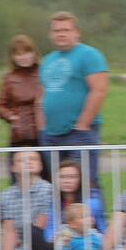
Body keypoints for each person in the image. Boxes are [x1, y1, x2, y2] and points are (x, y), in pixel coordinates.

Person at [39, 12, 109, 186]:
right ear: (50, 34)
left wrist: (83, 125)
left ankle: (93, 214)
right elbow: (41, 96)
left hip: (79, 133)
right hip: (51, 136)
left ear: (76, 32)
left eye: (65, 30)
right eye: (56, 31)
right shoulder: (47, 60)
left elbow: (99, 90)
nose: (61, 34)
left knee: (85, 184)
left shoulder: (89, 55)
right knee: (59, 185)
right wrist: (42, 129)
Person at [0, 151, 52, 250]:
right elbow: (9, 231)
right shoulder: (6, 195)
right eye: (22, 160)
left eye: (33, 159)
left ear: (41, 165)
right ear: (13, 167)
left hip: (39, 244)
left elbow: (40, 226)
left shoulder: (48, 189)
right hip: (16, 245)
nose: (28, 162)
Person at [0, 35, 44, 150]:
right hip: (18, 135)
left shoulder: (44, 73)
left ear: (34, 53)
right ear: (13, 57)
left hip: (43, 133)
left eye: (27, 52)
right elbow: (0, 105)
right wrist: (11, 117)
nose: (23, 57)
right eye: (19, 54)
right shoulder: (9, 78)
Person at [44, 160, 106, 245]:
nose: (67, 181)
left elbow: (101, 228)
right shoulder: (52, 202)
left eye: (72, 177)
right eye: (62, 177)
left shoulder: (92, 202)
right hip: (60, 245)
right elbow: (50, 230)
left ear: (80, 179)